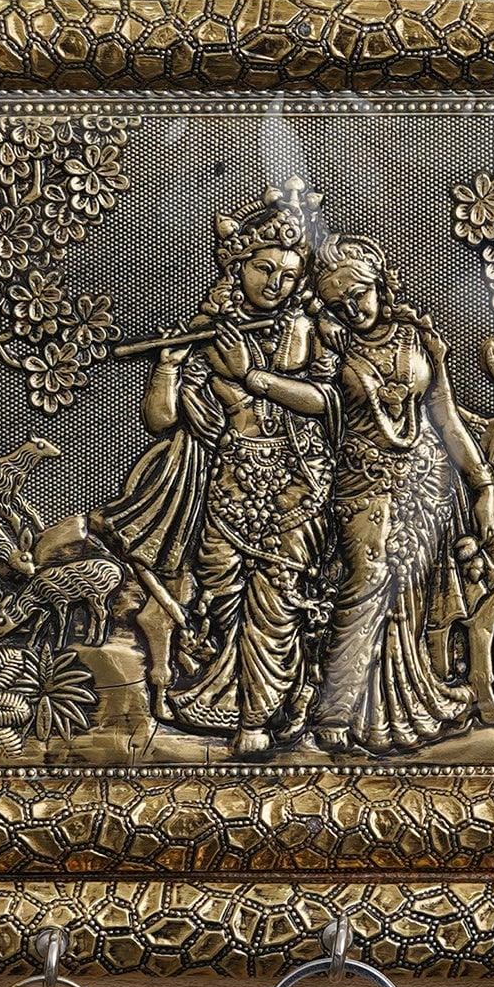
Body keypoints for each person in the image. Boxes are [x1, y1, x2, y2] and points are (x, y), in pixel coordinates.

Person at [238, 236, 494, 754]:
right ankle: (334, 713)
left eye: (358, 294)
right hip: (361, 481)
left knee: (408, 593)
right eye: (338, 303)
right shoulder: (329, 344)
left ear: (380, 284)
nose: (352, 310)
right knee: (367, 582)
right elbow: (315, 402)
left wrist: (482, 482)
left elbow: (444, 416)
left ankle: (395, 706)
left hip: (426, 484)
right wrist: (259, 380)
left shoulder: (417, 339)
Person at [102, 186, 332, 757]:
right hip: (228, 481)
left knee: (276, 597)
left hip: (295, 481)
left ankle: (257, 717)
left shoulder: (310, 329)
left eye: (287, 275)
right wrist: (168, 368)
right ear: (237, 267)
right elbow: (162, 420)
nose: (275, 284)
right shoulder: (209, 332)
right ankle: (227, 694)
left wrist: (252, 378)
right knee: (220, 588)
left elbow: (325, 401)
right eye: (263, 269)